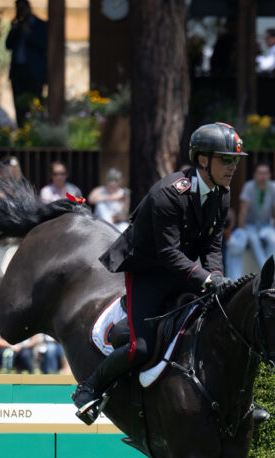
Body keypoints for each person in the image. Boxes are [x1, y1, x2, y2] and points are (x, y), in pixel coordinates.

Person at [75, 122, 247, 423]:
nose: (233, 166)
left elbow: (212, 246)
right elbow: (167, 254)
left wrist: (216, 275)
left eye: (235, 160)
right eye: (226, 159)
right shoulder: (169, 194)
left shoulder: (222, 194)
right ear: (203, 160)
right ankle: (90, 388)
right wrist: (206, 278)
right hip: (148, 270)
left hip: (185, 268)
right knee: (139, 347)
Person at [230, 162, 275, 280]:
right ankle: (268, 274)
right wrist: (241, 229)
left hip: (267, 225)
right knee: (254, 240)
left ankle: (267, 273)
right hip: (250, 225)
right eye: (260, 173)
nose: (263, 176)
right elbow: (243, 210)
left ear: (270, 175)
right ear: (254, 175)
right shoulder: (249, 186)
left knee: (274, 239)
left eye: (265, 173)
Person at [5, 0, 48, 118]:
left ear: (29, 8)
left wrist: (29, 34)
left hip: (34, 73)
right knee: (19, 105)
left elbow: (44, 46)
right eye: (18, 9)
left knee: (35, 105)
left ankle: (34, 129)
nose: (21, 12)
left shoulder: (41, 25)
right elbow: (8, 45)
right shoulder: (17, 26)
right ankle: (21, 131)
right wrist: (13, 28)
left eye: (22, 9)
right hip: (18, 72)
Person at [88, 168, 131, 233]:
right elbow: (91, 199)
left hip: (116, 224)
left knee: (125, 227)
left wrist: (122, 207)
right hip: (99, 224)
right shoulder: (100, 190)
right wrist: (113, 197)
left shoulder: (123, 194)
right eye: (110, 179)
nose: (112, 183)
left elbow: (125, 214)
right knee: (101, 205)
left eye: (115, 180)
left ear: (120, 181)